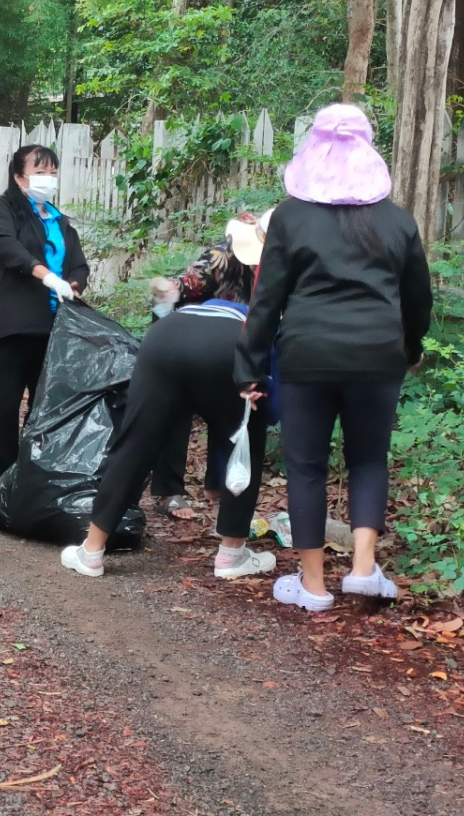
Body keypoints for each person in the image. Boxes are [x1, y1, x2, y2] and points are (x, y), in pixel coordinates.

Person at [234, 103, 432, 611]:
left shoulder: (292, 218)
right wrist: (409, 350)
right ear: (368, 152)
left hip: (307, 357)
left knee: (306, 466)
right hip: (378, 356)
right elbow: (417, 300)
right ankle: (364, 571)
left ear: (313, 151)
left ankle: (314, 586)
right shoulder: (397, 222)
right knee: (369, 458)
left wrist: (249, 369)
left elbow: (267, 299)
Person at [60, 298, 279, 580]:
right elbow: (270, 407)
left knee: (135, 444)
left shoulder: (206, 294)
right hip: (231, 346)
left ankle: (91, 551)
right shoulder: (267, 320)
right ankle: (231, 555)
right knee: (243, 441)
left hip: (165, 336)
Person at [147, 211, 271, 518]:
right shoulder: (222, 256)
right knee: (175, 408)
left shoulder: (281, 261)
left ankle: (219, 488)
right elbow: (188, 282)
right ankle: (169, 491)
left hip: (236, 344)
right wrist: (169, 288)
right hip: (189, 337)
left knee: (234, 407)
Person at [0, 145, 90, 481]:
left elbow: (80, 264)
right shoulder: (2, 211)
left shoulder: (59, 220)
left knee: (44, 406)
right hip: (11, 327)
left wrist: (73, 282)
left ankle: (30, 473)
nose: (48, 179)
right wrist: (46, 275)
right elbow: (4, 245)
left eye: (53, 173)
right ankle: (4, 477)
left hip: (55, 329)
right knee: (5, 406)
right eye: (40, 172)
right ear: (18, 176)